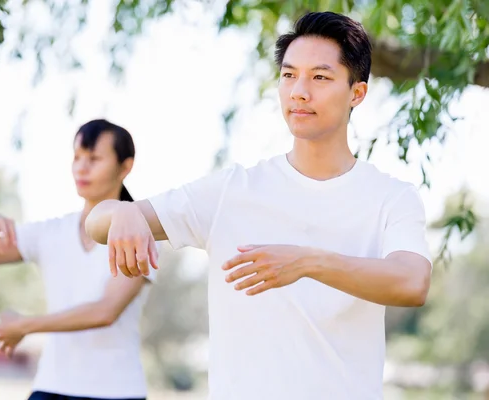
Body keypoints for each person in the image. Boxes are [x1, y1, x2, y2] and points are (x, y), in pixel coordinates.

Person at [85, 11, 433, 400]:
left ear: (357, 93)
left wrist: (308, 262)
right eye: (288, 75)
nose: (299, 91)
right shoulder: (232, 190)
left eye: (320, 77)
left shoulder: (391, 197)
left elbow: (412, 282)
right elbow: (97, 223)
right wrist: (127, 211)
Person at [0, 119, 155, 400]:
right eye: (77, 157)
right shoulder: (50, 232)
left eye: (94, 158)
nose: (81, 167)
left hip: (115, 391)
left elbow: (105, 311)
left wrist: (23, 325)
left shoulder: (138, 233)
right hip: (51, 386)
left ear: (125, 166)